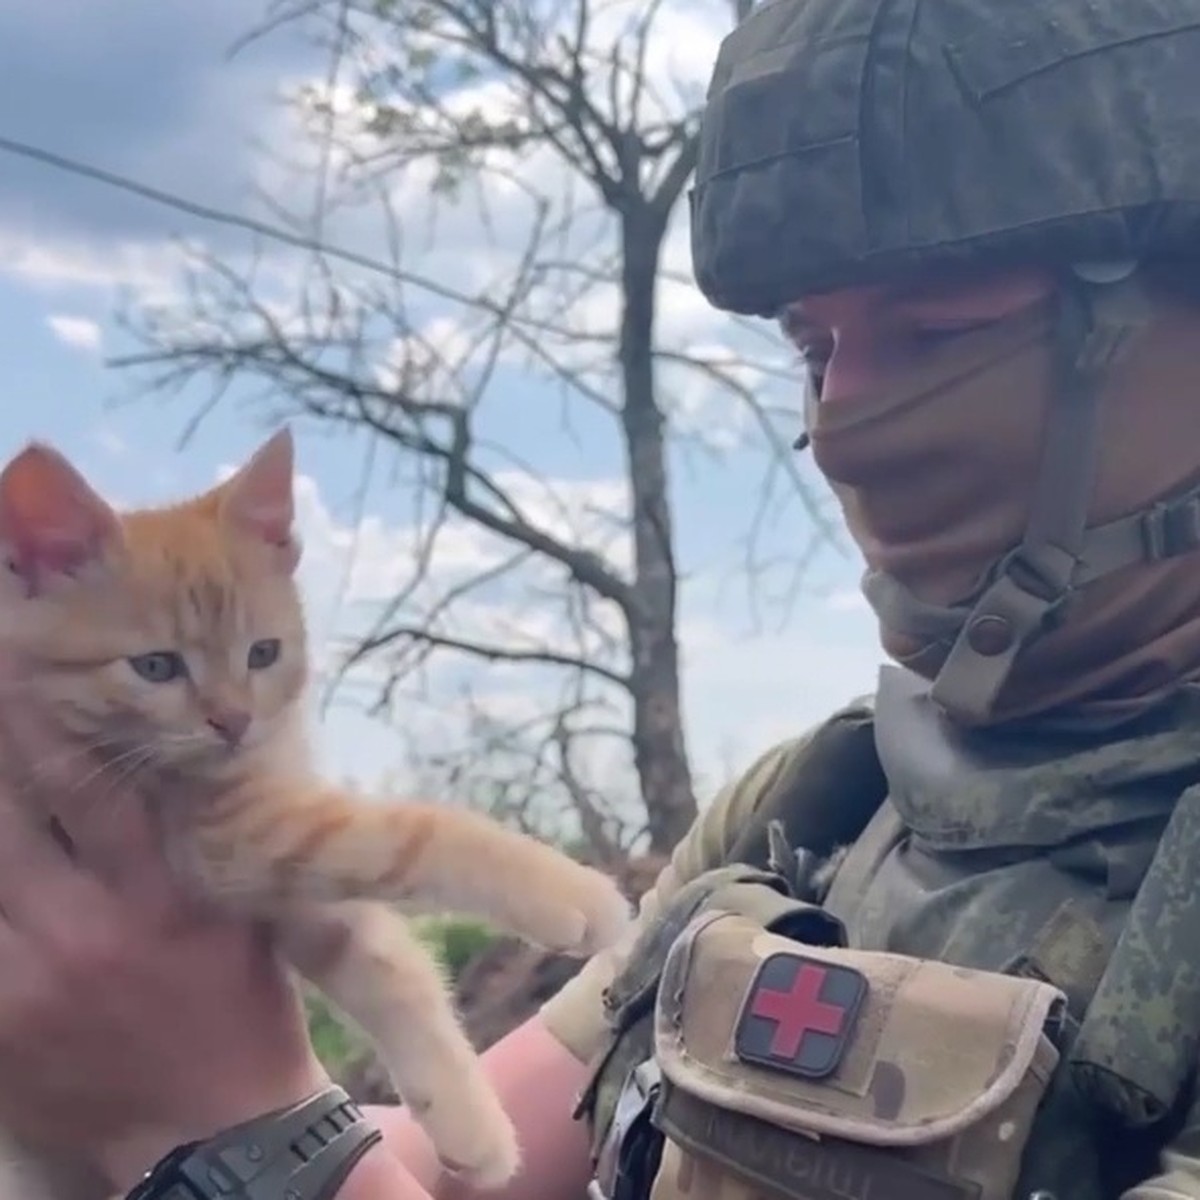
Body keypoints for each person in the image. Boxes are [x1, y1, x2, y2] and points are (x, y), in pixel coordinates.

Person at [5, 0, 1200, 1197]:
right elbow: (460, 1171)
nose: (842, 424)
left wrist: (238, 1129)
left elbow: (274, 1135)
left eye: (940, 333)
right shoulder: (830, 804)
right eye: (812, 351)